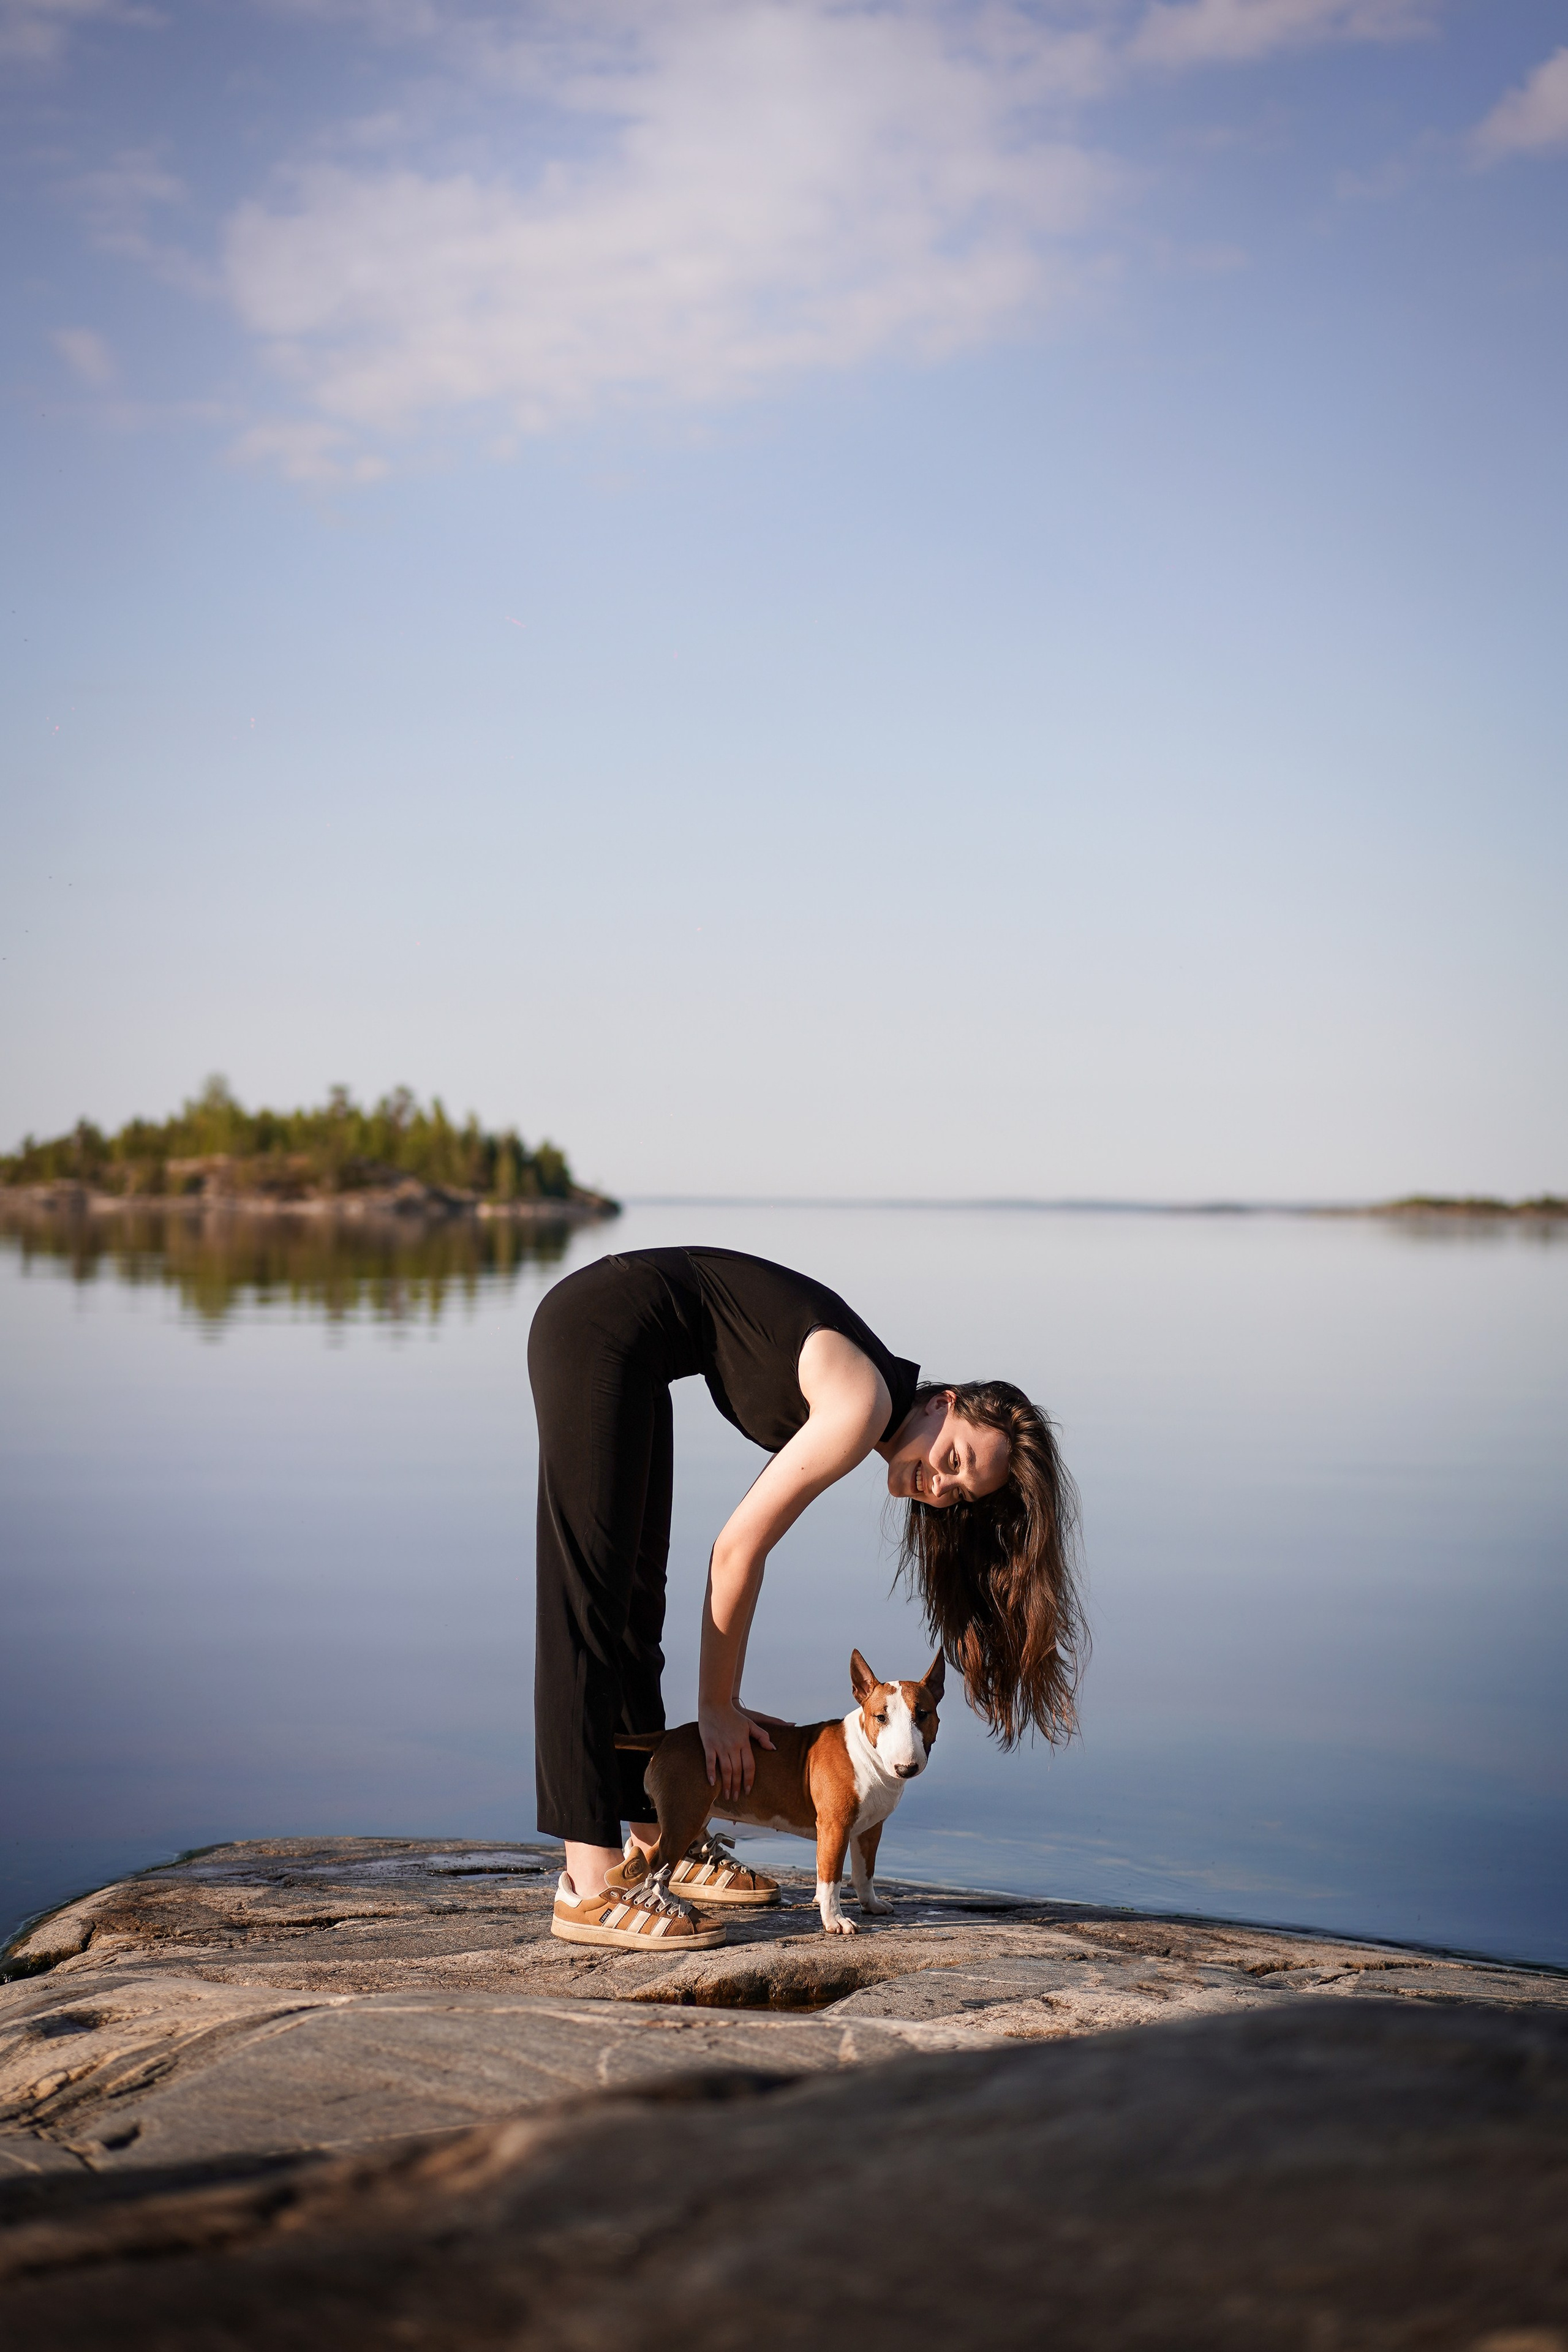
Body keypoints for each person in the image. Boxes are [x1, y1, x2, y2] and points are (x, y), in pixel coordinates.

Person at [529, 1245, 1084, 1948]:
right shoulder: (862, 1404)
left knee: (635, 1597)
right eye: (953, 1459)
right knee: (590, 1601)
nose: (939, 1489)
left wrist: (717, 1712)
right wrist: (716, 1710)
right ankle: (588, 1882)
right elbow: (736, 1551)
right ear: (945, 1405)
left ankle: (656, 1839)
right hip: (597, 1324)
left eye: (959, 1494)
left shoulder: (872, 1398)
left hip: (629, 1347)